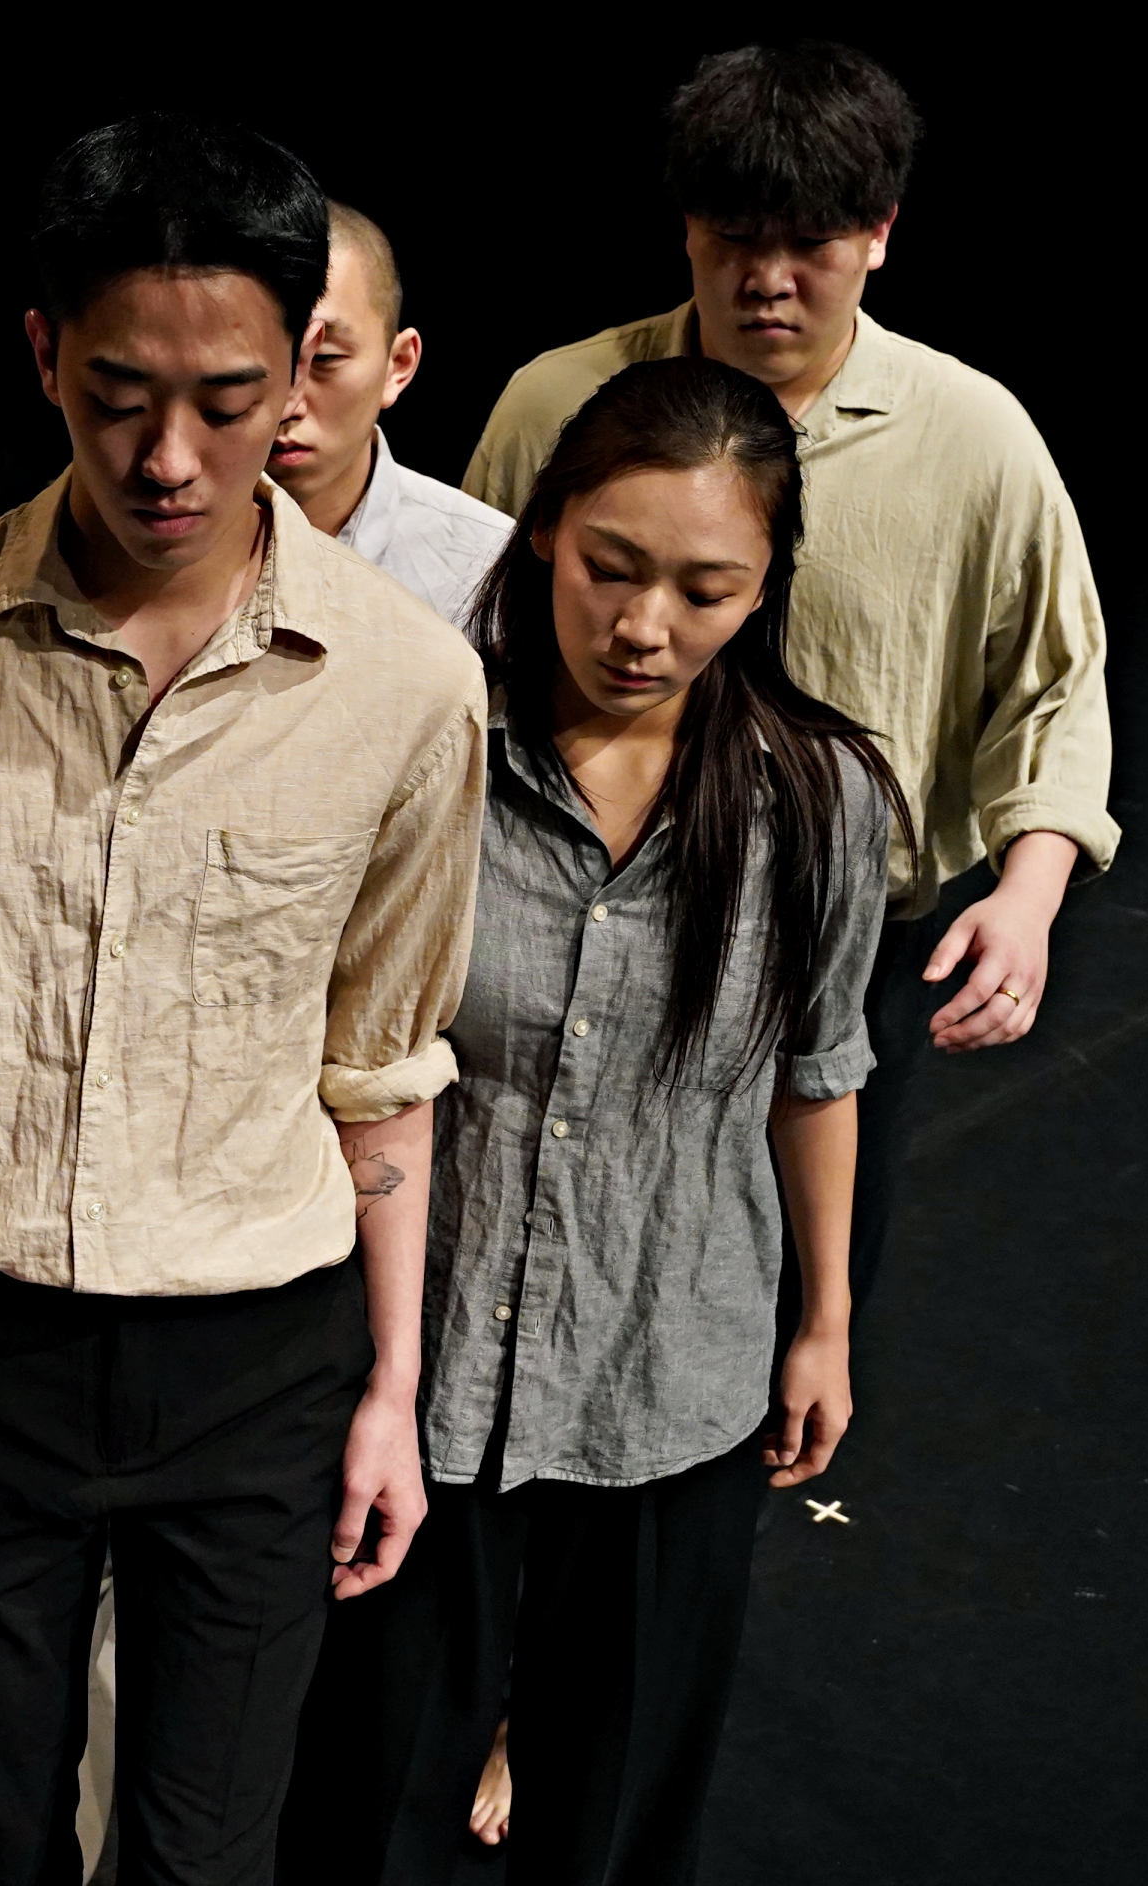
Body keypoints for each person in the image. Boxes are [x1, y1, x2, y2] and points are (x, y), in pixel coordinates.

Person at [0, 113, 487, 1886]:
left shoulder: (408, 684)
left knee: (208, 1859)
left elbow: (384, 1074)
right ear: (43, 355)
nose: (170, 458)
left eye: (229, 400)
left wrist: (394, 1391)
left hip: (264, 1360)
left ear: (305, 373)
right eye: (118, 397)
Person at [285, 356, 901, 1884]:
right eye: (613, 568)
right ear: (546, 529)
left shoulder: (818, 800)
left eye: (704, 590)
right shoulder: (424, 743)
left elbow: (817, 1073)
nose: (643, 626)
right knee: (361, 1803)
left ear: (765, 589)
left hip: (667, 1378)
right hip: (415, 1375)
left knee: (614, 1820)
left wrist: (823, 1324)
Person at [459, 43, 1117, 1315]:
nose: (767, 280)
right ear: (685, 228)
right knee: (517, 1255)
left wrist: (1030, 894)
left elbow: (1056, 684)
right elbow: (465, 644)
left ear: (880, 234)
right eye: (732, 240)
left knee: (794, 1303)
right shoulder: (562, 403)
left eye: (810, 244)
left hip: (840, 940)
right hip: (567, 913)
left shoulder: (975, 438)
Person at [268, 200, 510, 627]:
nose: (289, 402)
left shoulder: (488, 569)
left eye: (324, 359)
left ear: (398, 365)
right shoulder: (151, 539)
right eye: (257, 364)